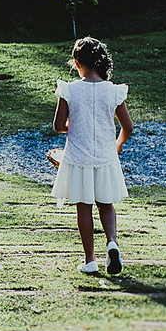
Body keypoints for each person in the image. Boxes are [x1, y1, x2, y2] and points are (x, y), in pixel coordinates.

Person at [51, 37, 134, 275]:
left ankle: (90, 260)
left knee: (83, 207)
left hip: (79, 157)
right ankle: (112, 243)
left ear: (77, 63)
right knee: (106, 205)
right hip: (105, 158)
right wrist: (118, 144)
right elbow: (128, 126)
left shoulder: (69, 90)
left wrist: (75, 125)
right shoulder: (114, 91)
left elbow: (58, 125)